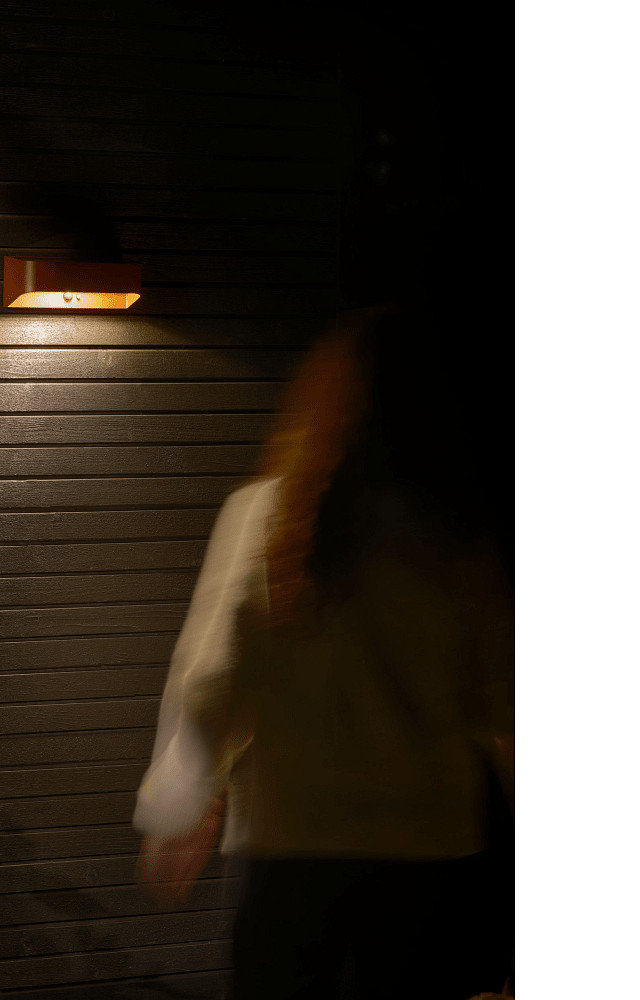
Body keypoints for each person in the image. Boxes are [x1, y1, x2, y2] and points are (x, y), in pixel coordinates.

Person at [133, 307, 513, 999]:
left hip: (291, 848)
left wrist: (181, 804)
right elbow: (507, 699)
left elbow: (216, 681)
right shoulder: (461, 537)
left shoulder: (266, 514)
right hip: (425, 855)